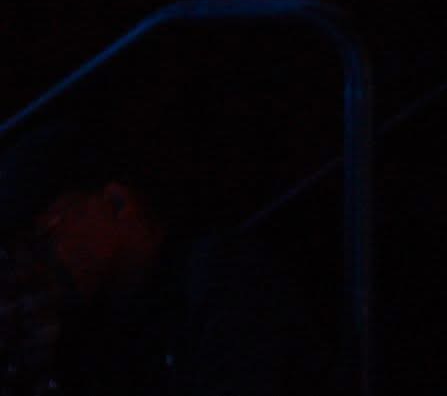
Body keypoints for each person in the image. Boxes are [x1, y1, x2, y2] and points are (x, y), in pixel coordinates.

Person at [0, 118, 338, 396]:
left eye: (43, 238)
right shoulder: (90, 326)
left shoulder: (222, 281)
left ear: (117, 204)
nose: (33, 264)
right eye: (16, 254)